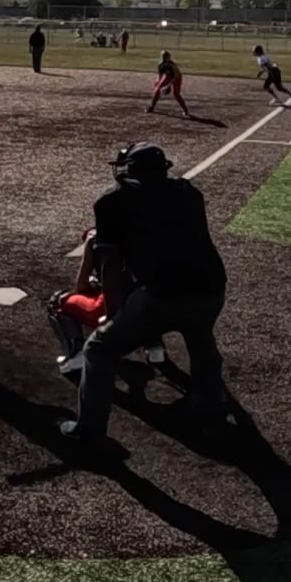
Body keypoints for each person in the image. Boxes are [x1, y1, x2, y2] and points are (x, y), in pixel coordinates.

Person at [61, 143, 229, 449]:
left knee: (99, 349)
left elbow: (110, 265)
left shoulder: (113, 200)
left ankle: (89, 430)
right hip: (211, 287)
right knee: (201, 342)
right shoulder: (188, 192)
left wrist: (113, 317)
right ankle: (212, 410)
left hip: (163, 293)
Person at [47, 228, 166, 375]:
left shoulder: (99, 240)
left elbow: (81, 287)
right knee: (146, 294)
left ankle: (77, 353)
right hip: (151, 307)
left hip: (114, 311)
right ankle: (154, 346)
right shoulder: (142, 233)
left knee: (57, 301)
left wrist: (88, 251)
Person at [147, 51, 190, 117]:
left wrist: (168, 85)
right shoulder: (161, 64)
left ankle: (185, 110)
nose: (165, 58)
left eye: (166, 56)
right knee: (157, 90)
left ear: (169, 57)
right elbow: (160, 75)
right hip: (167, 76)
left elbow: (175, 76)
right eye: (163, 56)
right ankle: (152, 107)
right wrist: (158, 84)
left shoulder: (172, 65)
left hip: (177, 78)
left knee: (176, 94)